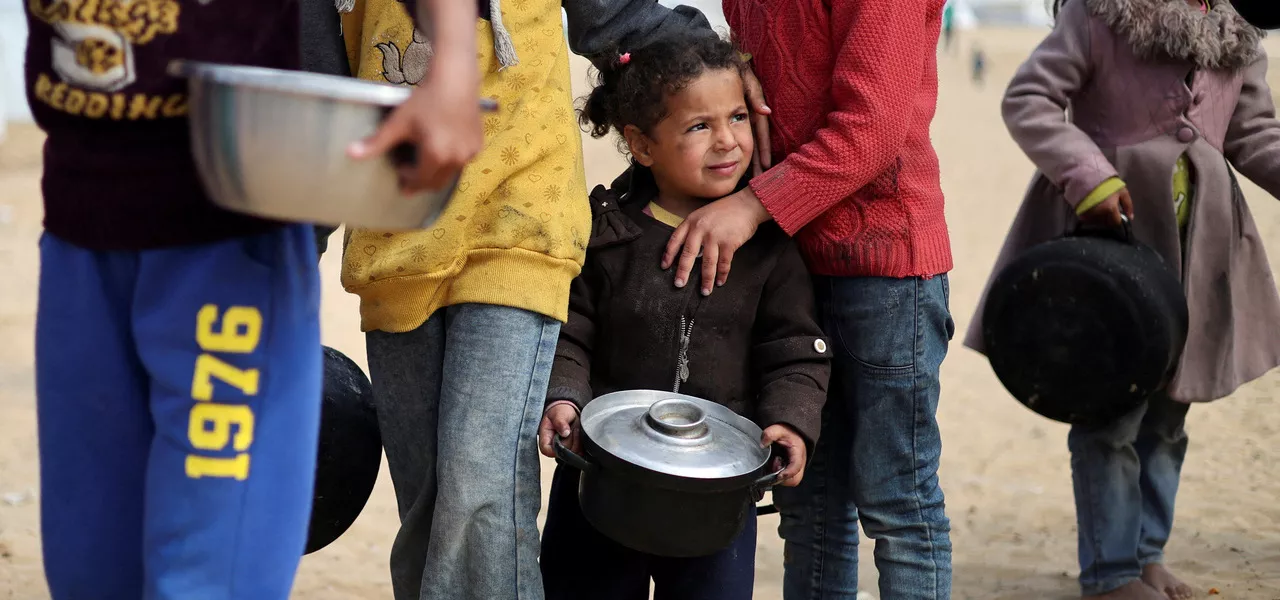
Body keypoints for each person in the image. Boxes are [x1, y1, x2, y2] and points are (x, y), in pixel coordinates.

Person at [23, 0, 466, 597]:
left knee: (208, 578)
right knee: (93, 570)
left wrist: (453, 65)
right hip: (81, 236)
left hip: (227, 240)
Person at [334, 1, 770, 599]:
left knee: (479, 490)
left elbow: (611, 13)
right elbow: (313, 54)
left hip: (520, 223)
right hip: (392, 233)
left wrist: (717, 57)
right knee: (427, 509)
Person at [964, 1, 1280, 599]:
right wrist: (1087, 174)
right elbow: (1028, 100)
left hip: (1199, 251)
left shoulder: (1238, 29)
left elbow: (1254, 133)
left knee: (1167, 416)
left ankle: (1146, 555)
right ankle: (1111, 574)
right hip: (1109, 250)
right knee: (1110, 415)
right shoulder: (1099, 14)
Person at [665, 1, 956, 598]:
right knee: (806, 502)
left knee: (897, 498)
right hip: (786, 264)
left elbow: (872, 129)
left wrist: (751, 206)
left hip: (885, 265)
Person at [534, 34, 831, 600]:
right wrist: (564, 397)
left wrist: (791, 422)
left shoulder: (768, 250)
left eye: (739, 117)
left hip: (714, 500)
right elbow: (569, 332)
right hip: (602, 483)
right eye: (700, 126)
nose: (727, 141)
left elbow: (793, 349)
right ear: (642, 145)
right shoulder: (608, 237)